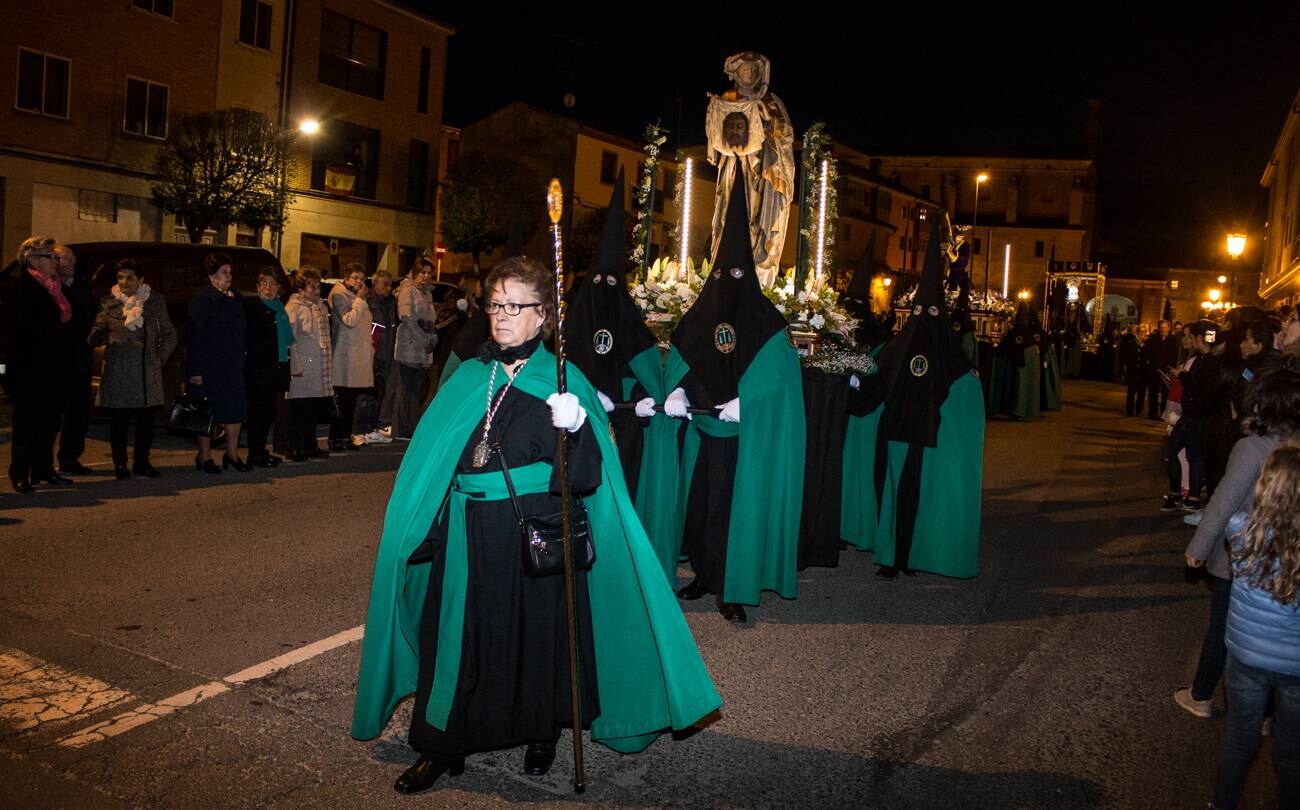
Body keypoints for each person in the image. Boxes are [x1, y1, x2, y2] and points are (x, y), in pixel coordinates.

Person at [350, 256, 722, 795]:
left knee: (537, 638)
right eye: (495, 304)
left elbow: (590, 480)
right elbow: (433, 457)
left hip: (533, 529)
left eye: (515, 306)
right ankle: (440, 747)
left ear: (543, 314)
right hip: (465, 532)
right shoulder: (469, 374)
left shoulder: (561, 380)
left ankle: (540, 735)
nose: (501, 316)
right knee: (455, 638)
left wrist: (576, 430)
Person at [664, 168, 805, 622]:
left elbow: (781, 379)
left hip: (744, 437)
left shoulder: (767, 323)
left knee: (732, 509)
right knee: (701, 502)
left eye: (739, 272)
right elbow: (683, 357)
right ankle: (704, 574)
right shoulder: (698, 315)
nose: (731, 279)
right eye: (725, 271)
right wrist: (680, 393)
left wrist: (750, 401)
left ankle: (731, 585)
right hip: (703, 429)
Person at [1177, 361, 1300, 721]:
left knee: (1223, 629)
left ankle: (1201, 694)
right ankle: (1263, 715)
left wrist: (1198, 548)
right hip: (1289, 558)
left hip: (1243, 554)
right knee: (1278, 637)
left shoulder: (1253, 447)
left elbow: (1224, 501)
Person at [862, 220, 984, 580]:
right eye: (918, 312)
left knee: (921, 497)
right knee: (893, 493)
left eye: (930, 313)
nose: (923, 319)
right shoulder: (897, 348)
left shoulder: (955, 358)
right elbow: (875, 380)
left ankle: (912, 554)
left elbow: (967, 400)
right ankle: (890, 556)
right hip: (896, 435)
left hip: (930, 439)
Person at [1211, 444, 1300, 810]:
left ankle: (1223, 804)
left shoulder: (1241, 531)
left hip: (1246, 657)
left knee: (1238, 739)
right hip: (1296, 667)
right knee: (1293, 750)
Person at [705, 51, 794, 288]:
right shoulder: (727, 98)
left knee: (756, 214)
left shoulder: (769, 101)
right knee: (728, 211)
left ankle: (756, 261)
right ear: (736, 73)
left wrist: (767, 120)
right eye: (745, 70)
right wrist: (714, 112)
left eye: (754, 70)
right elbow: (716, 139)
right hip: (734, 167)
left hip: (761, 170)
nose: (749, 74)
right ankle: (724, 259)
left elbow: (785, 136)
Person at [2, 236, 81, 492]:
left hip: (56, 368)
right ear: (32, 260)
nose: (56, 262)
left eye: (56, 257)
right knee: (26, 424)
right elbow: (18, 332)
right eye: (50, 257)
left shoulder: (58, 288)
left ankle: (43, 470)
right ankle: (20, 473)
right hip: (30, 369)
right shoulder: (20, 288)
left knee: (49, 422)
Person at [87, 259, 177, 479]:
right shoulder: (109, 302)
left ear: (141, 280)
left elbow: (169, 334)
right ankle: (120, 464)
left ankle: (141, 463)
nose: (124, 282)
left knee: (146, 421)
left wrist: (159, 358)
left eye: (130, 277)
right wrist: (104, 336)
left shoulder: (154, 302)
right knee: (119, 421)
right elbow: (94, 334)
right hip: (119, 369)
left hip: (147, 371)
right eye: (120, 277)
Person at [188, 252, 249, 473]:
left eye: (231, 272)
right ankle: (203, 456)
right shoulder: (203, 300)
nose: (229, 276)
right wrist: (196, 370)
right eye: (225, 272)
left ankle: (231, 454)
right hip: (210, 365)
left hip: (232, 364)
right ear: (212, 275)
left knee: (234, 410)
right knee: (208, 411)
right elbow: (195, 337)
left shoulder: (236, 298)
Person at [1160, 321, 1216, 511]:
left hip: (1193, 414)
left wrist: (1182, 377)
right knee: (1191, 455)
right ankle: (1189, 496)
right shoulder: (1199, 359)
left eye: (1188, 336)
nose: (1185, 339)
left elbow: (1199, 387)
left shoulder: (1206, 360)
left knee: (1173, 452)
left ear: (1198, 338)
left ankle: (1182, 494)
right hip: (1192, 412)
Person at [54, 244, 97, 475]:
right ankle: (39, 462)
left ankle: (70, 458)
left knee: (78, 411)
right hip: (55, 357)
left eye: (70, 258)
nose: (67, 262)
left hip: (79, 357)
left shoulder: (83, 285)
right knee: (50, 412)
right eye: (61, 258)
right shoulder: (49, 286)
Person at [244, 268, 293, 467]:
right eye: (264, 283)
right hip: (259, 370)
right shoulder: (254, 307)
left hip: (276, 368)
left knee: (268, 412)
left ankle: (261, 450)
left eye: (272, 284)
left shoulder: (279, 308)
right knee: (258, 412)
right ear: (257, 287)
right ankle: (254, 453)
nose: (268, 288)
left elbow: (286, 340)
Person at [284, 267, 332, 461]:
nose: (316, 290)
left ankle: (310, 445)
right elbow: (290, 339)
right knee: (298, 409)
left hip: (317, 367)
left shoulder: (320, 306)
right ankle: (295, 447)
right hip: (303, 366)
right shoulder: (294, 308)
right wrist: (295, 366)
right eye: (311, 287)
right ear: (301, 288)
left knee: (311, 409)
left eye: (317, 286)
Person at [327, 263, 375, 451]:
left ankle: (346, 436)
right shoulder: (339, 295)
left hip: (358, 356)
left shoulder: (354, 296)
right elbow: (349, 320)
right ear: (346, 278)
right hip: (346, 356)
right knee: (344, 400)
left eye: (362, 279)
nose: (359, 282)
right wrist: (361, 300)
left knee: (352, 401)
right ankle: (335, 437)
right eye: (355, 277)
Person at [391, 257, 438, 439]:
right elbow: (406, 317)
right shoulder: (408, 290)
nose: (426, 276)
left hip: (422, 347)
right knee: (406, 388)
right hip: (409, 345)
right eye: (422, 272)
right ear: (415, 272)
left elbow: (431, 321)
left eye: (428, 273)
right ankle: (402, 428)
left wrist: (432, 340)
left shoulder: (427, 293)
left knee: (416, 389)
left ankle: (411, 427)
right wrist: (423, 339)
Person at [353, 269, 397, 445]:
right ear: (375, 284)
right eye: (383, 284)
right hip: (372, 354)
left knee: (380, 394)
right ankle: (358, 430)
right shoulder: (369, 302)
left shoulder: (390, 303)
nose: (387, 288)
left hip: (386, 355)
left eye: (389, 284)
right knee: (365, 395)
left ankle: (372, 429)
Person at [1142, 319, 1180, 419]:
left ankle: (1164, 413)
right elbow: (1147, 354)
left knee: (1165, 394)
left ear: (1169, 328)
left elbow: (1176, 355)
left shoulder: (1174, 340)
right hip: (1154, 370)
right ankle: (1152, 413)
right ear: (1159, 328)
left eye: (1165, 327)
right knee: (1153, 393)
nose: (1163, 329)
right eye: (1161, 327)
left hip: (1167, 371)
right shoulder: (1152, 339)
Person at [1118, 325, 1144, 416]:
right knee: (1131, 392)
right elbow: (1125, 355)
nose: (1142, 333)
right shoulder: (1130, 342)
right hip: (1132, 370)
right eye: (1140, 331)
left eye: (1143, 331)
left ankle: (1139, 410)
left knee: (1141, 392)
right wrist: (1131, 364)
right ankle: (1130, 410)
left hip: (1143, 371)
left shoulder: (1147, 342)